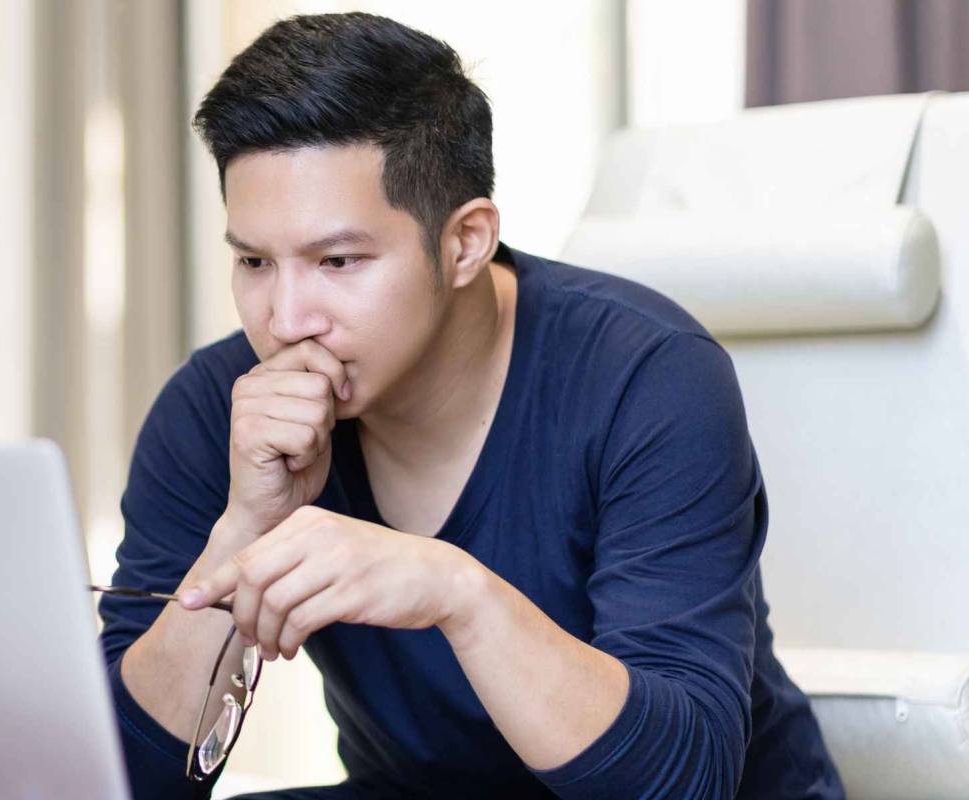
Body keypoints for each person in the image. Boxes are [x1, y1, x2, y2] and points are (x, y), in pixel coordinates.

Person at [97, 12, 843, 799]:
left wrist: (456, 594)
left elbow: (680, 783)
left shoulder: (649, 380)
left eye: (338, 260)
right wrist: (243, 531)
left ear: (464, 242)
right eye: (253, 260)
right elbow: (116, 783)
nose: (283, 320)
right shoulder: (218, 409)